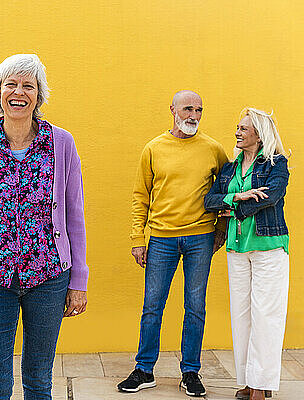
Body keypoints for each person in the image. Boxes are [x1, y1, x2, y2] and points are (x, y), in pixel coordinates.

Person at [0, 53, 89, 400]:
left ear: (39, 96)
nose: (19, 92)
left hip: (49, 277)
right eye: (11, 84)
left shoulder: (62, 143)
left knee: (39, 380)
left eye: (29, 85)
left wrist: (79, 280)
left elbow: (74, 214)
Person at [118, 90, 228, 397]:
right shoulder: (153, 148)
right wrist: (138, 239)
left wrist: (220, 228)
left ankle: (190, 372)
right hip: (161, 240)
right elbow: (140, 197)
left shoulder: (213, 149)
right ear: (173, 110)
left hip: (201, 238)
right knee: (152, 306)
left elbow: (227, 192)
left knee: (195, 306)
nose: (194, 115)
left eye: (199, 110)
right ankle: (144, 370)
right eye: (188, 108)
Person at [204, 108, 289, 400]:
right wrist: (236, 196)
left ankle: (261, 386)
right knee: (242, 317)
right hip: (237, 249)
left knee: (267, 317)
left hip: (269, 247)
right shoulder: (229, 168)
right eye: (237, 127)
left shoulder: (277, 164)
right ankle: (248, 381)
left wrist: (233, 208)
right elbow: (209, 200)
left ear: (259, 134)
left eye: (243, 129)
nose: (237, 132)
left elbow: (271, 196)